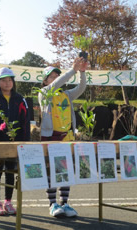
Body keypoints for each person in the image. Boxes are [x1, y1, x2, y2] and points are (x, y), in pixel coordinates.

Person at [38, 57, 87, 217]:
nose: (54, 79)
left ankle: (65, 203)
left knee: (65, 172)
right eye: (51, 77)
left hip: (67, 138)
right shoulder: (45, 94)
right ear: (45, 81)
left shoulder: (66, 95)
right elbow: (55, 85)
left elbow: (81, 88)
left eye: (56, 76)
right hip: (51, 138)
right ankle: (52, 204)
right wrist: (72, 70)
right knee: (51, 171)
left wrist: (82, 72)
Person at [0, 67, 30, 216]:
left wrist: (25, 142)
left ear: (13, 82)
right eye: (4, 80)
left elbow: (25, 122)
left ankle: (8, 202)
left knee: (10, 172)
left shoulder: (20, 99)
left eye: (9, 80)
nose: (7, 83)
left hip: (15, 143)